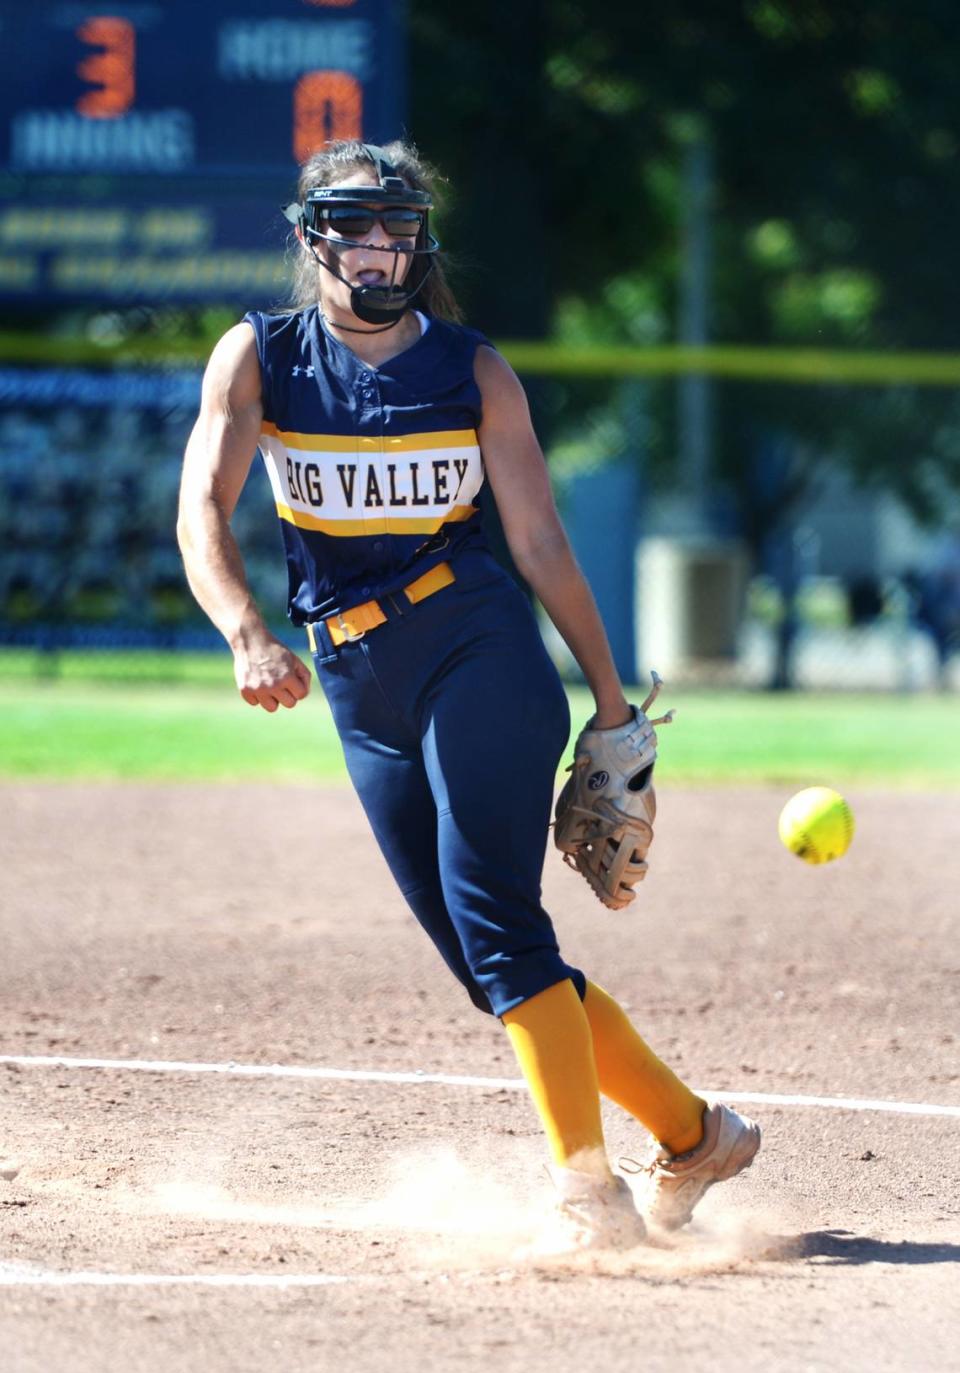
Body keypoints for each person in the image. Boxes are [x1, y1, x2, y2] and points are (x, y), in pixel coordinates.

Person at [177, 139, 760, 1251]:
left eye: (398, 228)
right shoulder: (260, 359)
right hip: (354, 680)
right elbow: (202, 506)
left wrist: (609, 700)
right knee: (487, 965)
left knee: (502, 931)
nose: (380, 248)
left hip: (476, 647)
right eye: (356, 227)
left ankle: (591, 1199)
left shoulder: (471, 369)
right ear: (314, 240)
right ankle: (696, 1135)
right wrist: (246, 631)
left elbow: (538, 540)